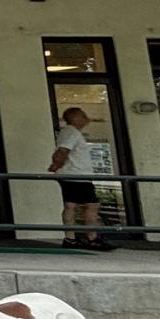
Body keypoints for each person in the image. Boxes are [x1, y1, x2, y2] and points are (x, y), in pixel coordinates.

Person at [50, 106, 112, 251]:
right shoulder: (72, 132)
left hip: (71, 174)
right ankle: (92, 239)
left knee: (70, 205)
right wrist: (56, 164)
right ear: (75, 118)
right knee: (91, 206)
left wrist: (57, 167)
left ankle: (70, 238)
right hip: (77, 175)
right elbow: (63, 150)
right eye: (83, 116)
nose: (87, 119)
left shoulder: (68, 132)